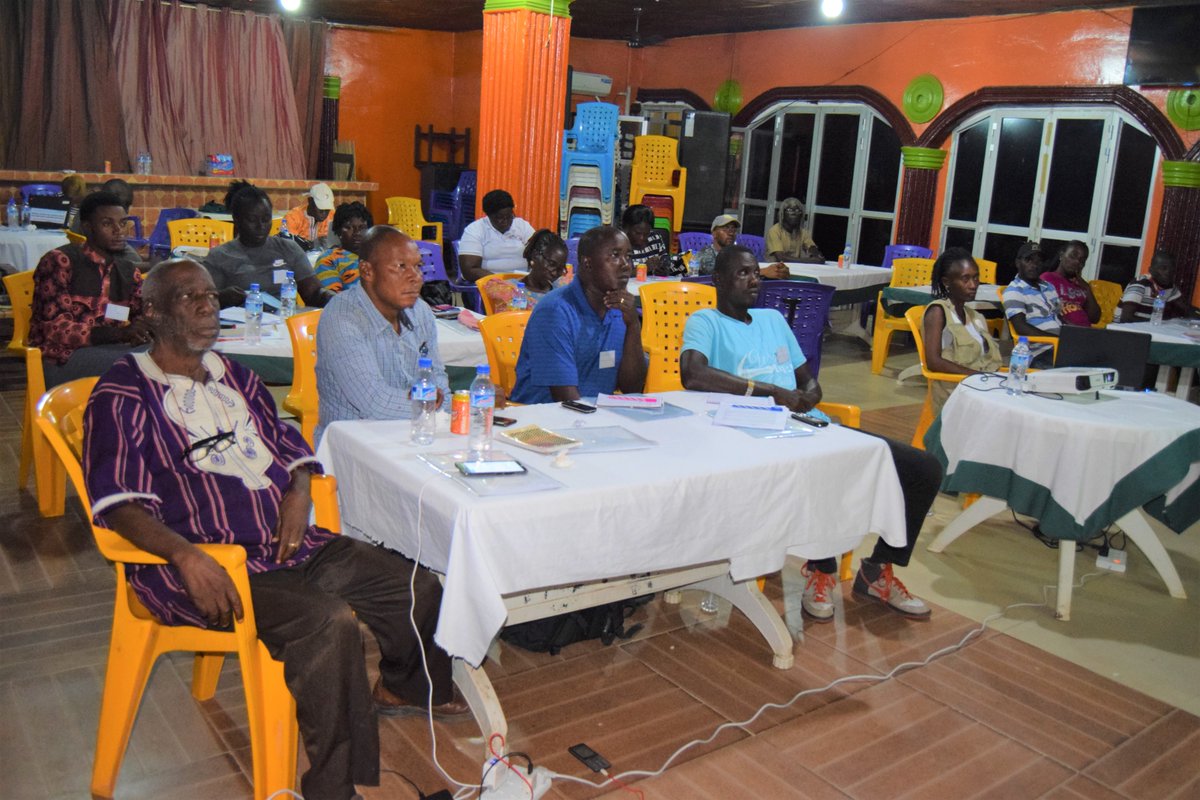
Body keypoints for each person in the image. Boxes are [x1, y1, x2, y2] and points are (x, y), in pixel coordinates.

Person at [83, 258, 467, 800]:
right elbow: (118, 503)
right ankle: (333, 791)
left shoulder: (234, 375)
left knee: (416, 584)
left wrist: (300, 488)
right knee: (328, 623)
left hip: (286, 545)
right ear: (152, 312)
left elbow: (290, 445)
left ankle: (403, 687)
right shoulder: (125, 392)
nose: (207, 307)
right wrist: (188, 558)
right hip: (210, 565)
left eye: (212, 297)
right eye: (188, 298)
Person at [680, 245, 941, 621]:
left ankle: (878, 569)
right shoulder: (706, 322)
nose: (754, 279)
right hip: (755, 434)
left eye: (756, 272)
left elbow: (806, 378)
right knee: (824, 471)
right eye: (742, 274)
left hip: (812, 426)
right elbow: (693, 374)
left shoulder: (772, 320)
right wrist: (770, 393)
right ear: (718, 280)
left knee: (924, 469)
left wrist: (812, 393)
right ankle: (822, 570)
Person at [315, 226, 452, 445]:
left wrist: (454, 403)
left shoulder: (421, 311)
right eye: (400, 267)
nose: (415, 277)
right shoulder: (342, 317)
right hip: (355, 445)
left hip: (414, 435)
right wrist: (429, 402)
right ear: (367, 271)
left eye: (418, 266)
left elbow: (438, 377)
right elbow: (374, 401)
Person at [511, 225, 646, 403]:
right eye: (615, 255)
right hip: (545, 420)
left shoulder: (620, 310)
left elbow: (633, 389)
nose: (626, 265)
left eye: (628, 256)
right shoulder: (555, 312)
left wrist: (633, 326)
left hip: (593, 416)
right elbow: (566, 400)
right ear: (587, 263)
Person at [29, 191, 151, 386]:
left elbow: (143, 313)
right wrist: (120, 334)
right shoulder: (61, 261)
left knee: (167, 355)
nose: (118, 230)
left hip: (111, 351)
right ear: (87, 228)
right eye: (107, 224)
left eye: (122, 223)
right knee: (145, 366)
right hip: (62, 359)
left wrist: (151, 325)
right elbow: (55, 330)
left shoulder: (127, 271)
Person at [204, 182, 331, 309]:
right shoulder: (220, 257)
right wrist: (222, 299)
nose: (261, 226)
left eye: (266, 219)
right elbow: (204, 303)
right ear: (236, 219)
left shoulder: (288, 249)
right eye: (252, 220)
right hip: (242, 324)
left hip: (284, 323)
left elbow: (314, 293)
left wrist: (335, 299)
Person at [922, 248, 1003, 413]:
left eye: (976, 278)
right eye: (965, 279)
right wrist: (978, 378)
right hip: (955, 393)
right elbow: (933, 361)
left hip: (979, 389)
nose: (973, 285)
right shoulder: (938, 311)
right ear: (946, 282)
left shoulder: (974, 316)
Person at [481, 228, 568, 314]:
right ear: (535, 255)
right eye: (552, 264)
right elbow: (506, 324)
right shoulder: (511, 291)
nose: (556, 273)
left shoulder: (560, 291)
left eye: (561, 268)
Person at [457, 189, 536, 282]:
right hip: (489, 283)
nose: (505, 221)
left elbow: (539, 253)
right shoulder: (475, 230)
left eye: (509, 216)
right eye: (500, 217)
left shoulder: (522, 226)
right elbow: (469, 270)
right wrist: (502, 281)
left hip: (522, 282)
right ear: (488, 215)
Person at [1002, 241, 1062, 338]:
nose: (1034, 265)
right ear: (1018, 263)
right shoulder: (1014, 291)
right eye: (1028, 260)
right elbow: (1020, 327)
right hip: (1041, 348)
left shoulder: (1049, 287)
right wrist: (1056, 340)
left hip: (1061, 344)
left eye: (1039, 261)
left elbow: (1059, 316)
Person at [1117, 251, 1192, 323]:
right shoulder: (1140, 284)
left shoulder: (1169, 287)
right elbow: (1125, 318)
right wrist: (1154, 325)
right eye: (1163, 268)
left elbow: (1185, 309)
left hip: (1149, 329)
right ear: (1151, 270)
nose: (1168, 272)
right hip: (1122, 330)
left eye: (1172, 269)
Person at [314, 201, 373, 292]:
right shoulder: (329, 259)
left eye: (362, 228)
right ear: (338, 231)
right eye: (349, 228)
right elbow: (332, 299)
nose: (357, 233)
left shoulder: (378, 256)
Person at [1040, 241, 1100, 327]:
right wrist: (1072, 329)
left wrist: (1087, 288)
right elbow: (1046, 313)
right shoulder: (1048, 278)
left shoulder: (1081, 285)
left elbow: (1095, 318)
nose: (1077, 262)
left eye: (1082, 260)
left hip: (1085, 333)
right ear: (1061, 255)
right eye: (1073, 256)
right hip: (1063, 332)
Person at [621, 204, 680, 276]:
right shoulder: (619, 245)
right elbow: (616, 275)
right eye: (637, 233)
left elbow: (666, 261)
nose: (642, 237)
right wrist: (644, 268)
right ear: (626, 228)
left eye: (646, 233)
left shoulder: (655, 238)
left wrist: (665, 270)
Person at [765, 197, 823, 264]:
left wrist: (817, 255)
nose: (794, 213)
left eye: (798, 210)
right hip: (775, 268)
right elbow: (781, 258)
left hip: (795, 267)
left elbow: (811, 247)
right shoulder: (774, 231)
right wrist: (811, 260)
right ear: (782, 214)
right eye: (790, 210)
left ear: (801, 215)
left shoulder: (802, 232)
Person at [283, 182, 335, 251]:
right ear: (310, 201)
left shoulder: (332, 216)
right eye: (321, 208)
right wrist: (312, 244)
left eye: (327, 209)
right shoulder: (292, 217)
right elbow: (289, 245)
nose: (324, 213)